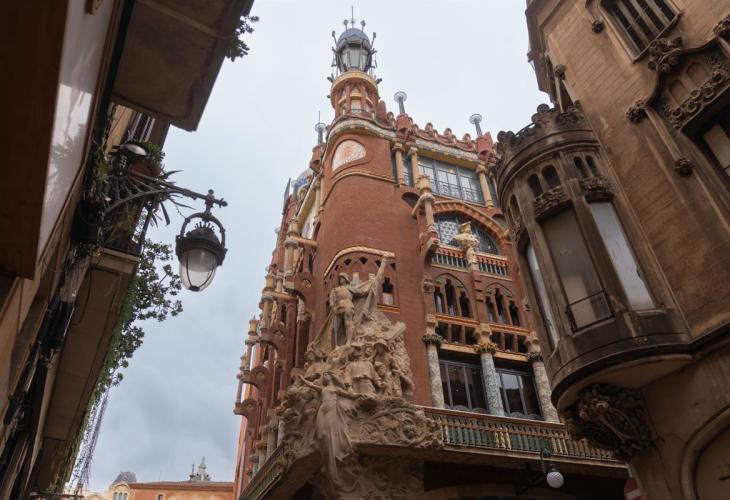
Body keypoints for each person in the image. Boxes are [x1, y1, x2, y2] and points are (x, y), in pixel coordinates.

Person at [298, 372, 357, 483]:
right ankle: (326, 461)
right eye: (323, 376)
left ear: (332, 377)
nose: (324, 377)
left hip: (331, 410)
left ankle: (332, 459)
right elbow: (311, 385)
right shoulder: (323, 389)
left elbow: (350, 396)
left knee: (327, 435)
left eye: (326, 375)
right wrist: (302, 379)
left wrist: (356, 392)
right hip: (322, 411)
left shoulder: (336, 389)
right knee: (321, 435)